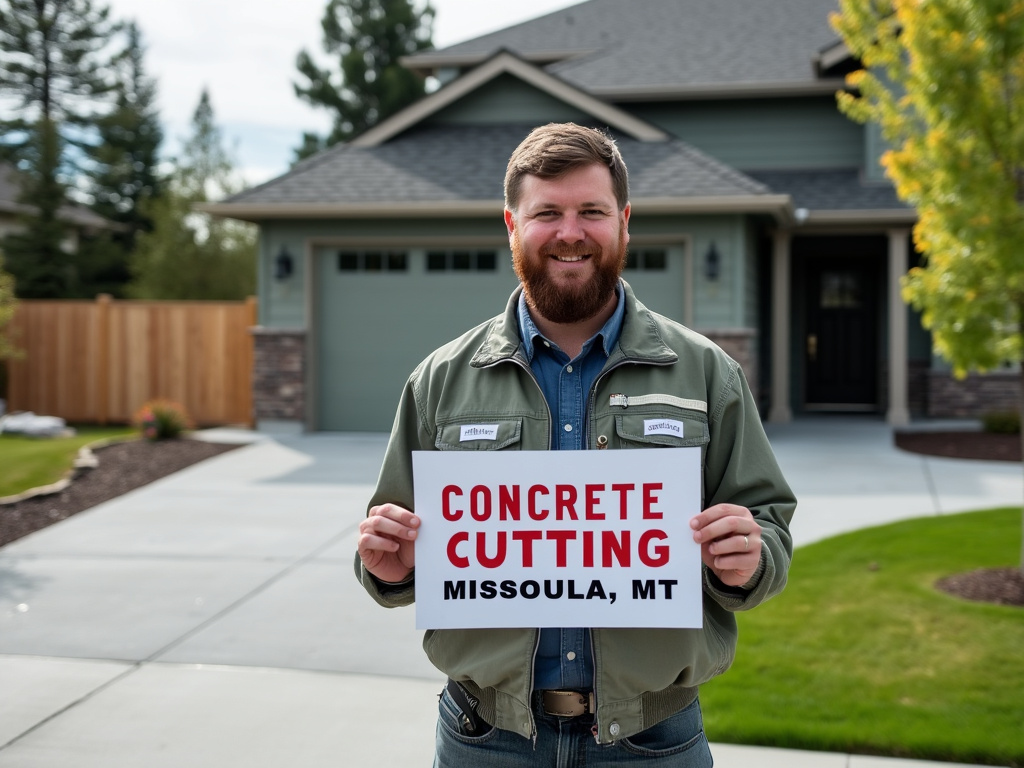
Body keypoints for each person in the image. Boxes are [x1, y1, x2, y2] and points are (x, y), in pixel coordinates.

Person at [356, 122, 796, 766]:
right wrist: (388, 567)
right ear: (512, 224)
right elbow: (391, 545)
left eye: (591, 211)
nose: (570, 232)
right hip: (486, 739)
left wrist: (750, 560)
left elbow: (770, 529)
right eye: (547, 213)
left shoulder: (705, 373)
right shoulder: (440, 381)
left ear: (624, 222)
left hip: (652, 741)